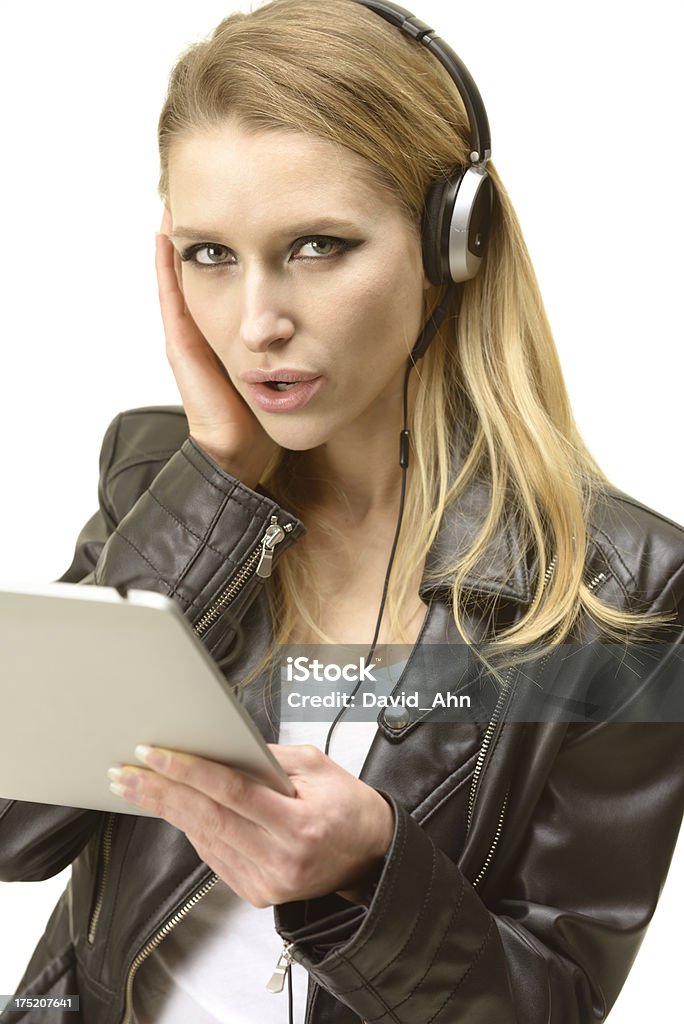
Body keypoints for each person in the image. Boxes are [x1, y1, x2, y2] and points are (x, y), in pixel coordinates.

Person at [1, 1, 682, 1022]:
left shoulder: (618, 589)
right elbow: (16, 824)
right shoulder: (157, 479)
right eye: (212, 256)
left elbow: (555, 1003)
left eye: (317, 246)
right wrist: (219, 480)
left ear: (454, 244)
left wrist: (372, 869)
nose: (256, 321)